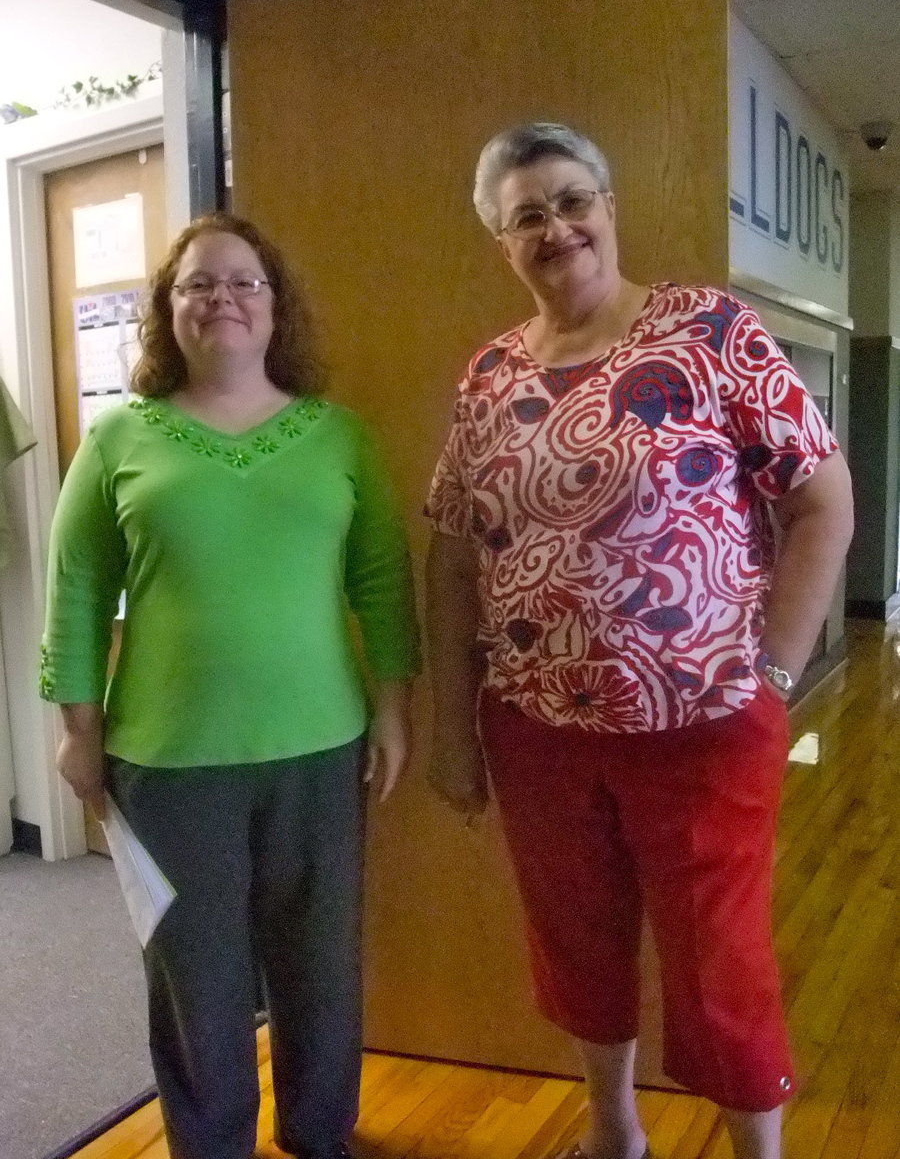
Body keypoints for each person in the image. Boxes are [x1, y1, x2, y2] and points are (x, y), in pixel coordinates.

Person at [425, 123, 853, 1159]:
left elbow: (823, 502)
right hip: (537, 727)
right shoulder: (488, 375)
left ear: (609, 207)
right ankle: (613, 1131)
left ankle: (758, 1148)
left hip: (704, 723)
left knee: (722, 960)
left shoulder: (708, 331)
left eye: (572, 200)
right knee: (578, 942)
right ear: (501, 241)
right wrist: (451, 727)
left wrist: (775, 674)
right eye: (527, 214)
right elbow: (450, 556)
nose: (555, 227)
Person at [40, 212, 420, 1159]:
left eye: (244, 281)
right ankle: (208, 1143)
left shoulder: (338, 436)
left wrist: (394, 708)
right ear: (168, 312)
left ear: (275, 303)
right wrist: (77, 730)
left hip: (320, 749)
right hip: (166, 762)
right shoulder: (119, 437)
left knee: (319, 970)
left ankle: (318, 1131)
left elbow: (381, 578)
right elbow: (77, 588)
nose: (222, 298)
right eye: (197, 284)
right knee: (194, 976)